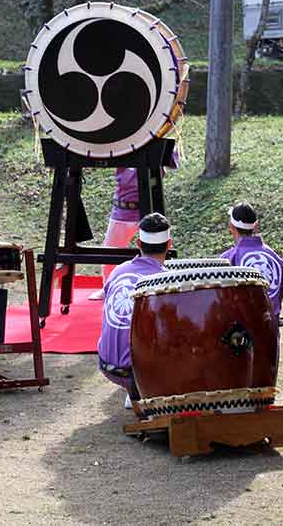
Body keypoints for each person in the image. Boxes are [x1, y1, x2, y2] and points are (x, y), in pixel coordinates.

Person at [97, 212, 172, 409]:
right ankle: (143, 388)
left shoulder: (118, 270)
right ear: (169, 244)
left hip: (106, 364)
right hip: (135, 371)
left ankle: (135, 390)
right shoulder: (167, 281)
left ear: (138, 243)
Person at [97, 149, 180, 289]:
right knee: (110, 252)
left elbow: (171, 161)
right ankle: (108, 286)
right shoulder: (122, 141)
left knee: (156, 251)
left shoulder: (156, 135)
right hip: (123, 208)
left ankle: (157, 284)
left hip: (150, 207)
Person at [221, 202, 283, 329]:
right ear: (255, 226)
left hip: (241, 337)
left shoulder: (227, 260)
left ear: (231, 227)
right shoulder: (275, 258)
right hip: (271, 333)